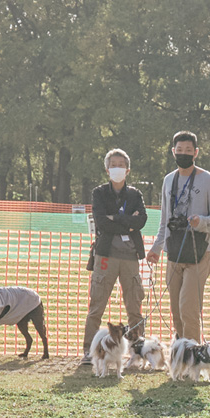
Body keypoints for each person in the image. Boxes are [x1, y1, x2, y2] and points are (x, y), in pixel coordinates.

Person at [145, 131, 210, 341]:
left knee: (188, 308)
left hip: (199, 252)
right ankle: (182, 352)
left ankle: (194, 355)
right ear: (173, 152)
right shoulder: (168, 181)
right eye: (179, 150)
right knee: (176, 309)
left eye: (188, 151)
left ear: (196, 153)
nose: (183, 154)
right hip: (174, 252)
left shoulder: (209, 181)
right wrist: (156, 248)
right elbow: (165, 221)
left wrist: (202, 222)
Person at [81, 148, 148, 363]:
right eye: (113, 164)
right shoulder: (99, 193)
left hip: (130, 257)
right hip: (105, 255)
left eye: (121, 164)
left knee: (134, 306)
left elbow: (141, 221)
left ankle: (138, 352)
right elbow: (101, 221)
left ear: (127, 170)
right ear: (107, 169)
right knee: (96, 306)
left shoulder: (135, 194)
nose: (117, 168)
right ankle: (89, 352)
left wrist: (117, 219)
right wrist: (127, 221)